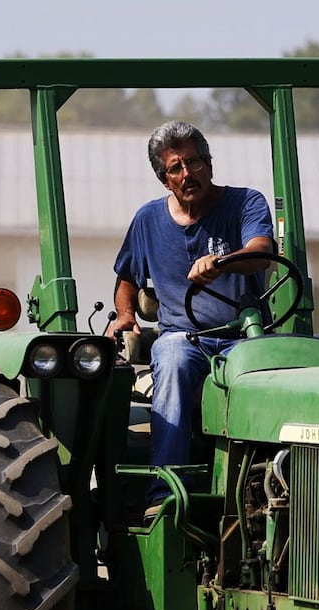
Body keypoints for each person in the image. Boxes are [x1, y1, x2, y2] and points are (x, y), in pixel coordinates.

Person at [106, 120, 275, 513]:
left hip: (243, 339)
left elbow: (262, 251)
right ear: (164, 180)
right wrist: (126, 315)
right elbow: (127, 277)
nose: (188, 174)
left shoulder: (245, 203)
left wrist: (224, 262)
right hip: (185, 339)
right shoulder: (148, 220)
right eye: (176, 168)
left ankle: (273, 487)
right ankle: (165, 494)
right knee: (174, 356)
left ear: (209, 164)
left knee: (280, 371)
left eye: (194, 162)